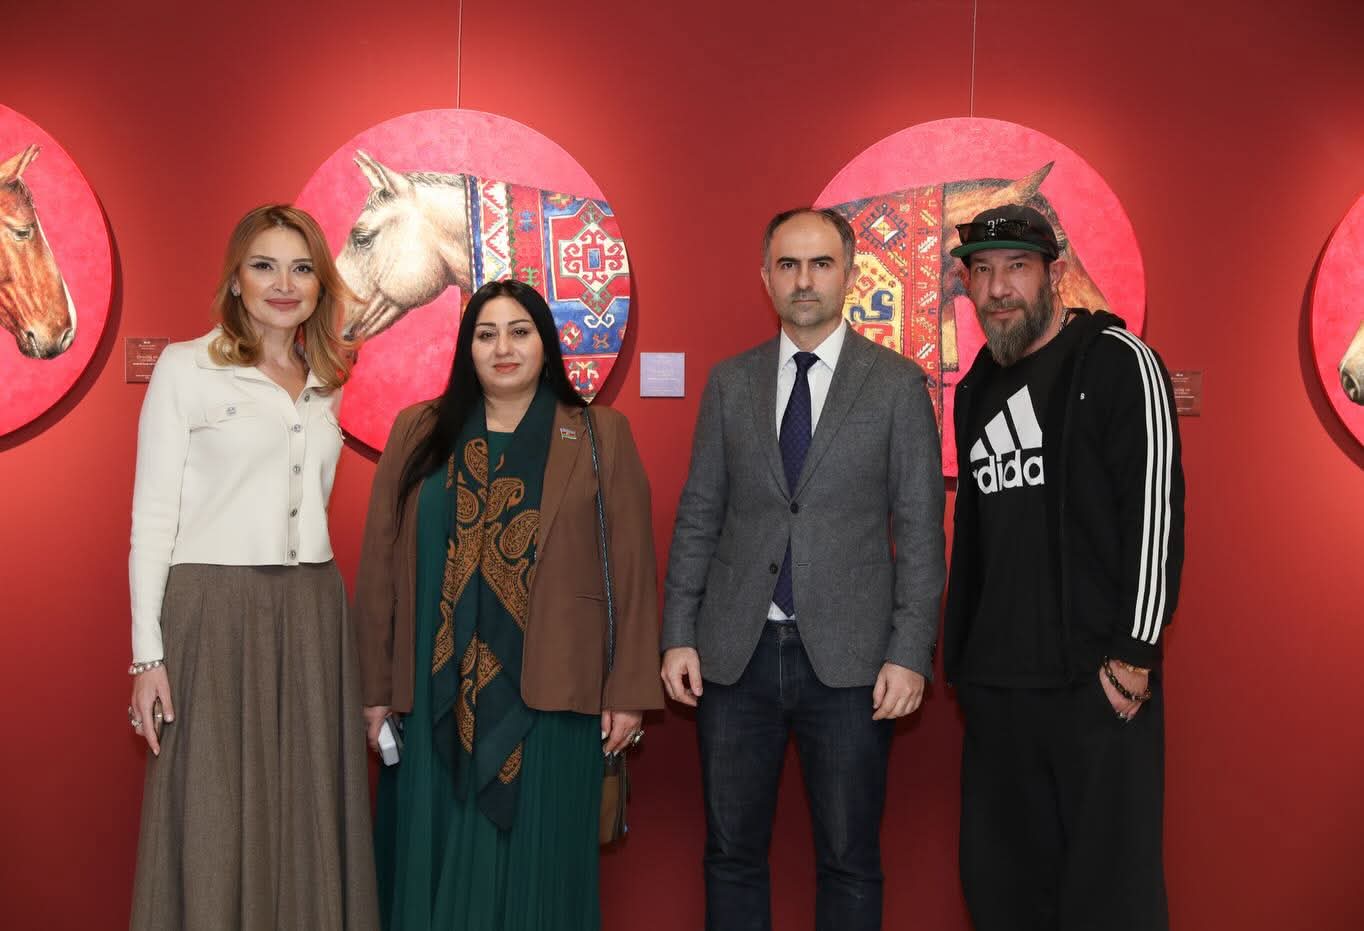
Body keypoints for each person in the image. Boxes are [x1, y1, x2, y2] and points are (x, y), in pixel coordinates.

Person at [661, 207, 946, 931]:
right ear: (766, 277)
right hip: (735, 655)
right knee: (730, 853)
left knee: (849, 859)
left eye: (821, 264)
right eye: (788, 265)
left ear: (849, 274)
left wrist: (910, 652)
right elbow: (699, 514)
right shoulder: (730, 383)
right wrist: (678, 634)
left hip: (852, 664)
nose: (804, 280)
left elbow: (920, 530)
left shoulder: (896, 385)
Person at [354, 278, 663, 930]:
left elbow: (633, 570)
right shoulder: (419, 432)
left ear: (546, 345)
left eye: (520, 332)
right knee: (436, 862)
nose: (503, 348)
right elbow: (379, 566)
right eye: (486, 334)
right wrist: (374, 688)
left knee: (540, 877)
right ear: (466, 348)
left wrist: (628, 690)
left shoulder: (599, 433)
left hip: (553, 698)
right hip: (433, 694)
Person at [126, 204, 378, 929]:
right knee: (211, 803)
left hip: (312, 608)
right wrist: (147, 656)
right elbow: (153, 519)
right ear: (236, 279)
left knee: (307, 799)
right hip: (212, 610)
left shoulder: (327, 377)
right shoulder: (186, 367)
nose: (283, 284)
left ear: (320, 284)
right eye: (264, 266)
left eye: (301, 269)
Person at [943, 205, 1185, 930]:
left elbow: (1155, 510)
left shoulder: (1116, 360)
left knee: (1110, 900)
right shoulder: (975, 387)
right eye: (982, 272)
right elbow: (977, 535)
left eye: (1016, 267)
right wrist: (964, 666)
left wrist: (1133, 656)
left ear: (1054, 274)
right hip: (997, 691)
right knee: (1003, 895)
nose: (998, 289)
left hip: (1095, 687)